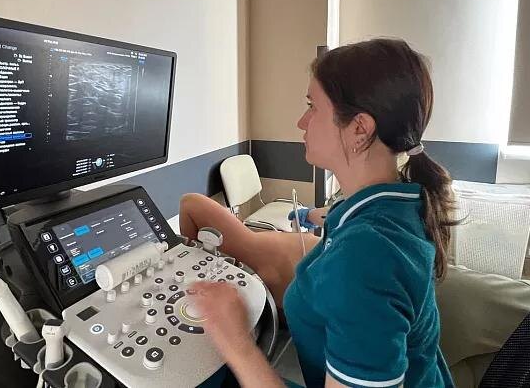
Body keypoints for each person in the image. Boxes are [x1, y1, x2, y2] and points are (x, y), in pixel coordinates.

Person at [180, 39, 456, 387]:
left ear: (359, 128)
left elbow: (362, 272)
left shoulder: (365, 257)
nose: (301, 121)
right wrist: (313, 216)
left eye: (312, 106)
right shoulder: (395, 203)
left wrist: (234, 339)